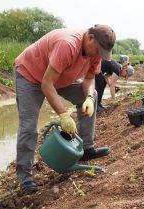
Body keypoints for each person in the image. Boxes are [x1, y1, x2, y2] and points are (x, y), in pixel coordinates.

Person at [14, 24, 116, 194]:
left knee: (91, 96)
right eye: (97, 50)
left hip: (58, 78)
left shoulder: (95, 52)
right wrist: (63, 114)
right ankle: (25, 177)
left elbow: (90, 79)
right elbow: (46, 84)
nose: (98, 55)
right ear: (90, 38)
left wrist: (90, 98)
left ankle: (87, 149)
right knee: (28, 126)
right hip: (30, 75)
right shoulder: (67, 45)